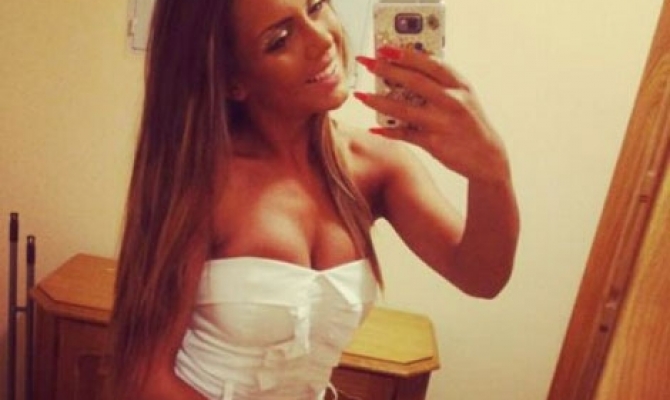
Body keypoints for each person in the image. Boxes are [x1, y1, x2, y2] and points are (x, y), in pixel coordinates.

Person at [110, 0, 520, 399]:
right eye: (279, 40)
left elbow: (481, 276)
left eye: (316, 6)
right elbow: (143, 379)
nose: (322, 39)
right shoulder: (204, 183)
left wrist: (491, 173)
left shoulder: (374, 166)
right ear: (234, 80)